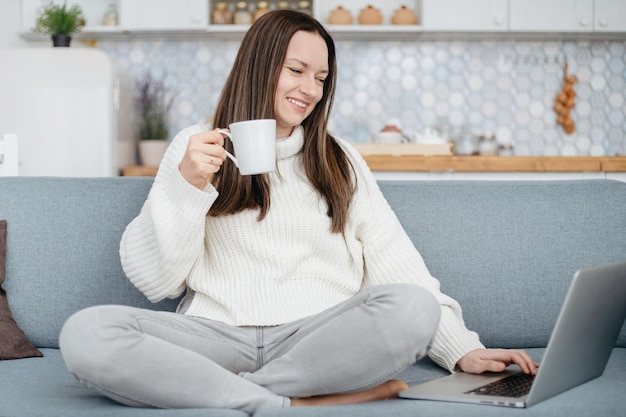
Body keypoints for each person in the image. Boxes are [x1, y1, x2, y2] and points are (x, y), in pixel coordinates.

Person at [59, 10, 537, 415]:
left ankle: (241, 395)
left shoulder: (340, 159)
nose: (310, 89)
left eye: (321, 78)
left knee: (414, 306)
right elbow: (154, 281)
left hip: (318, 341)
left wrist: (463, 350)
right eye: (297, 70)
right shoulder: (195, 147)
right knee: (86, 332)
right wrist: (188, 184)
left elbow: (403, 270)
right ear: (260, 64)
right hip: (216, 337)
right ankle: (291, 403)